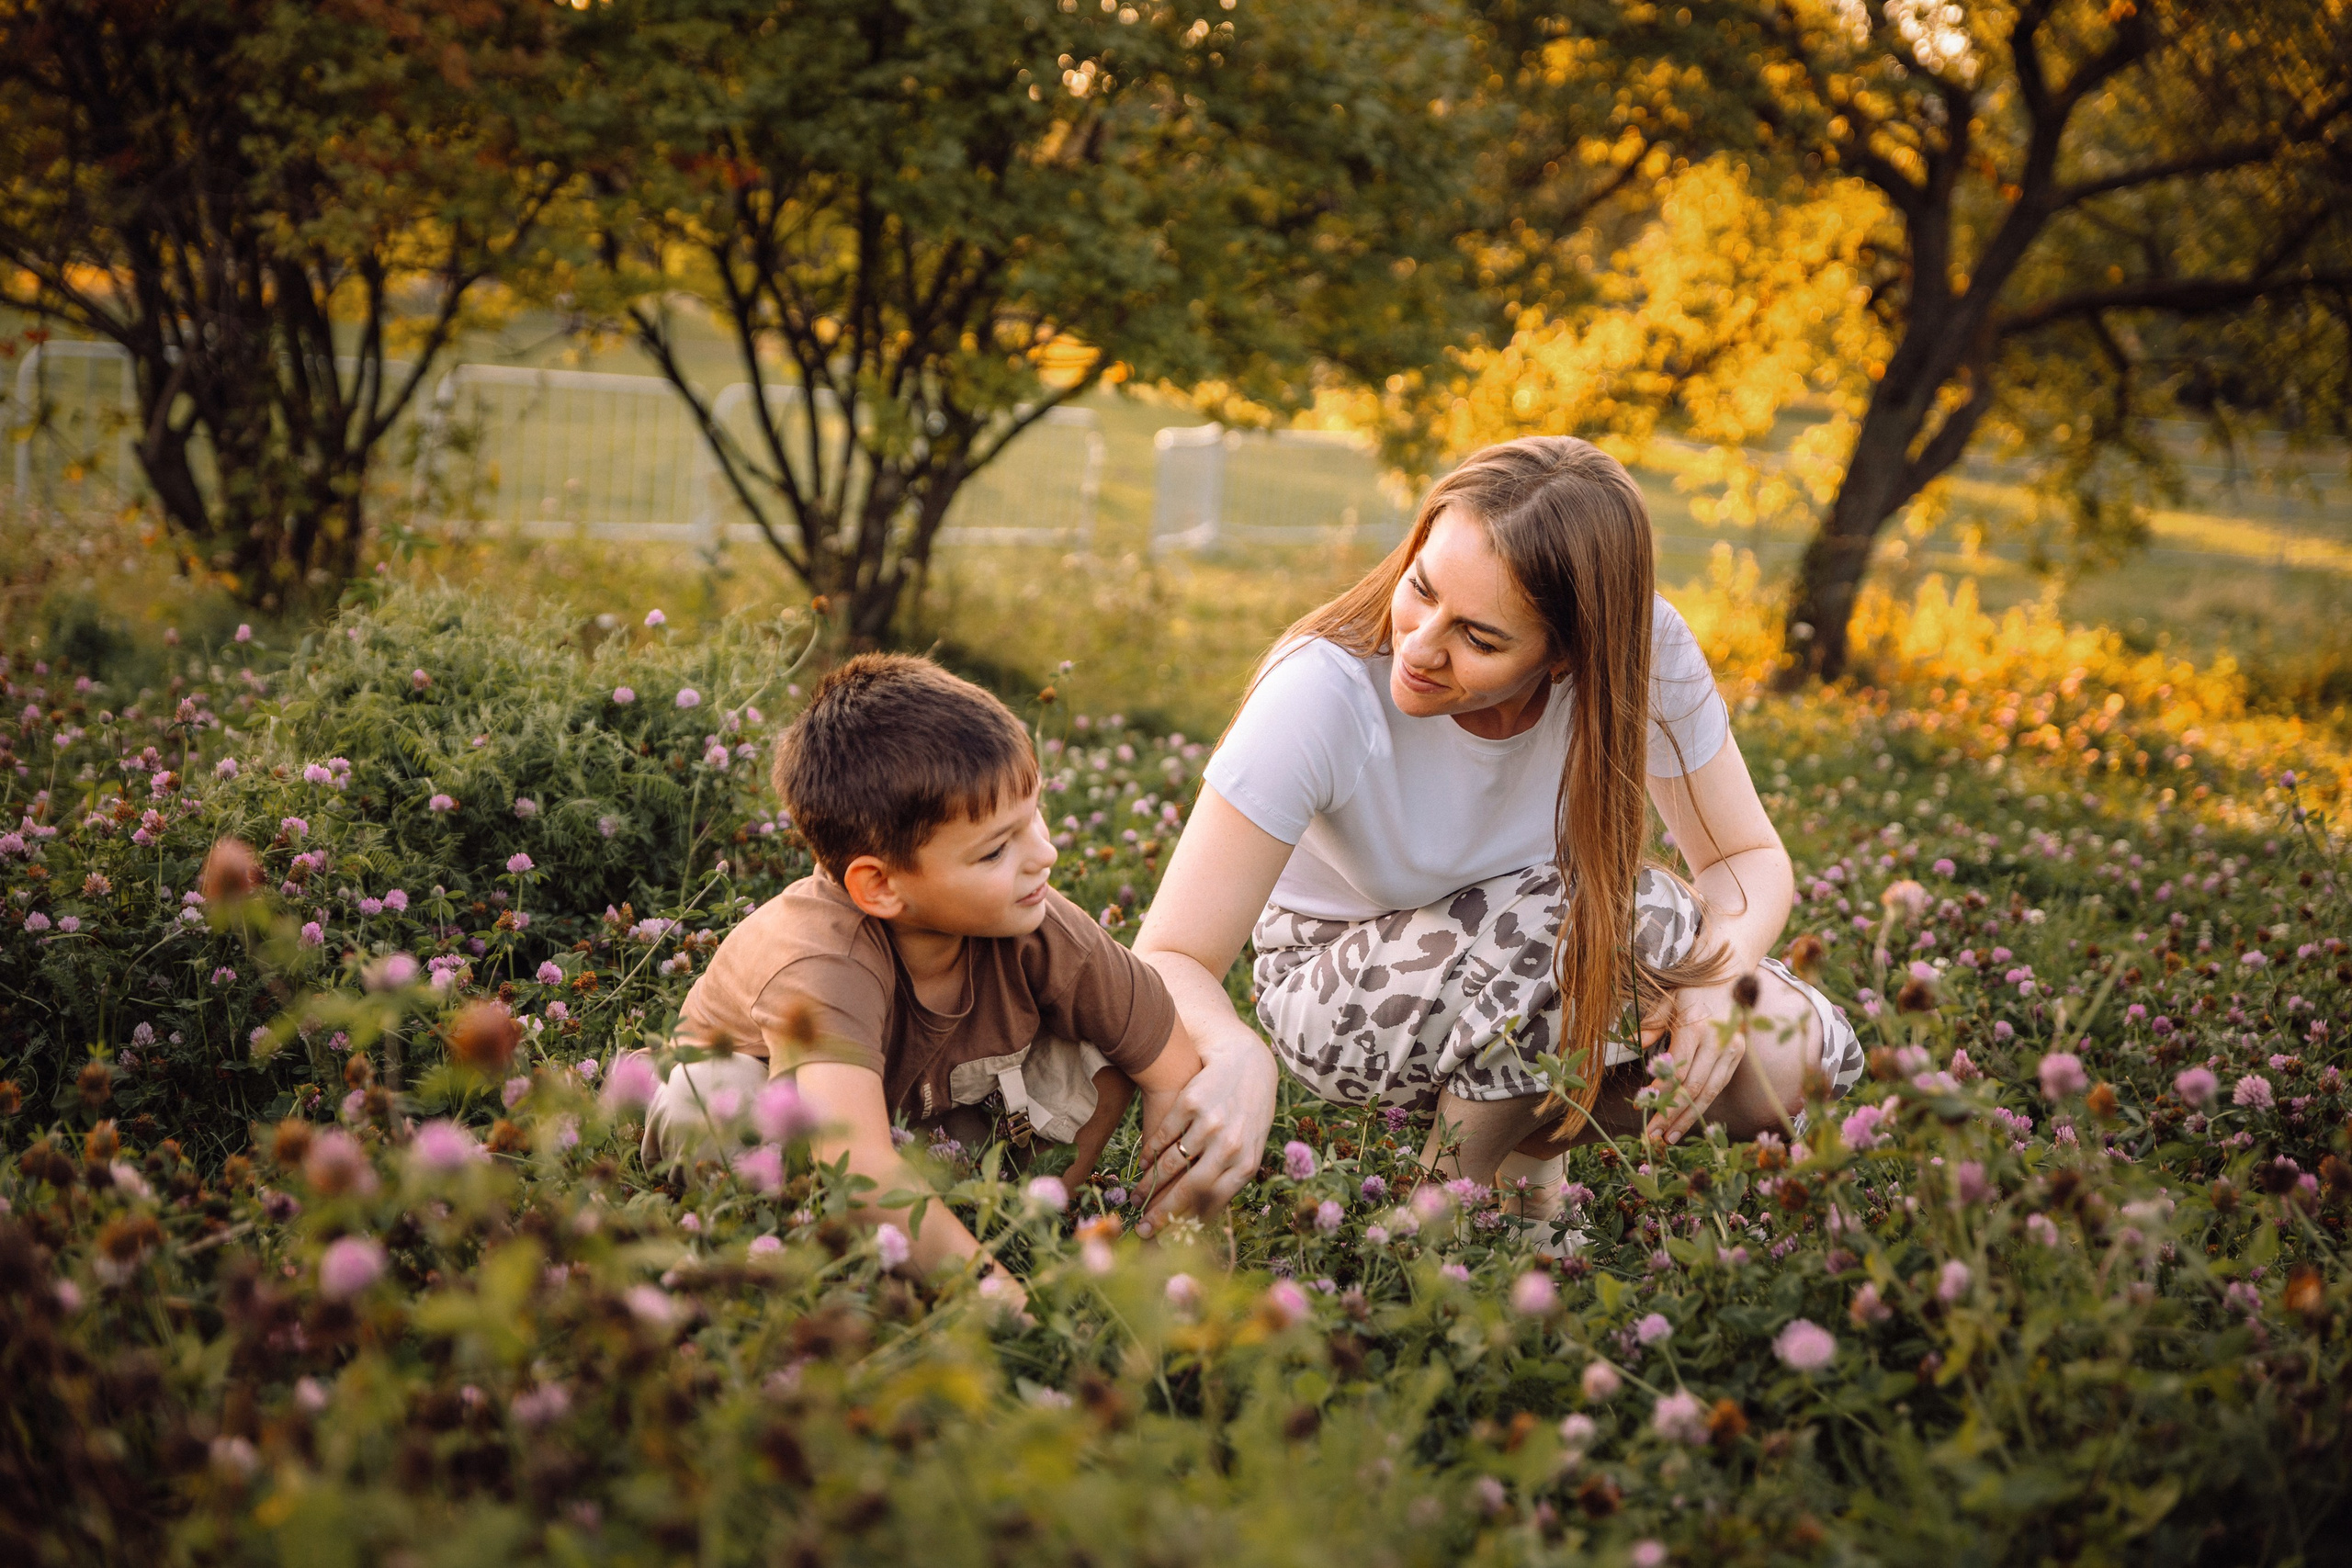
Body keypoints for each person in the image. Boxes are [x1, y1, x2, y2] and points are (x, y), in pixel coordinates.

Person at [1128, 435, 1863, 1234]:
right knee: (1604, 910)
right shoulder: (1323, 688)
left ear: (1567, 656)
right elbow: (1170, 954)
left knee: (1789, 1056)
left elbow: (1742, 858)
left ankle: (1523, 1165)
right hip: (1338, 987)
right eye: (1420, 588)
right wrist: (1238, 1051)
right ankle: (1444, 1225)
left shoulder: (1640, 647)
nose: (1418, 645)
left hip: (1546, 972)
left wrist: (1722, 982)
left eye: (1479, 638)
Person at [640, 654, 1204, 1308]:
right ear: (880, 885)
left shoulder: (1043, 927)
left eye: (1035, 816)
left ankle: (1020, 1227)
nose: (1045, 853)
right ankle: (789, 1267)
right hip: (800, 1150)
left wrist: (1176, 1237)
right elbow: (861, 1169)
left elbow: (1170, 1062)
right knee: (710, 1096)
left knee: (1108, 1047)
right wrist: (1008, 1310)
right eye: (997, 849)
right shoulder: (822, 958)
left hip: (922, 1125)